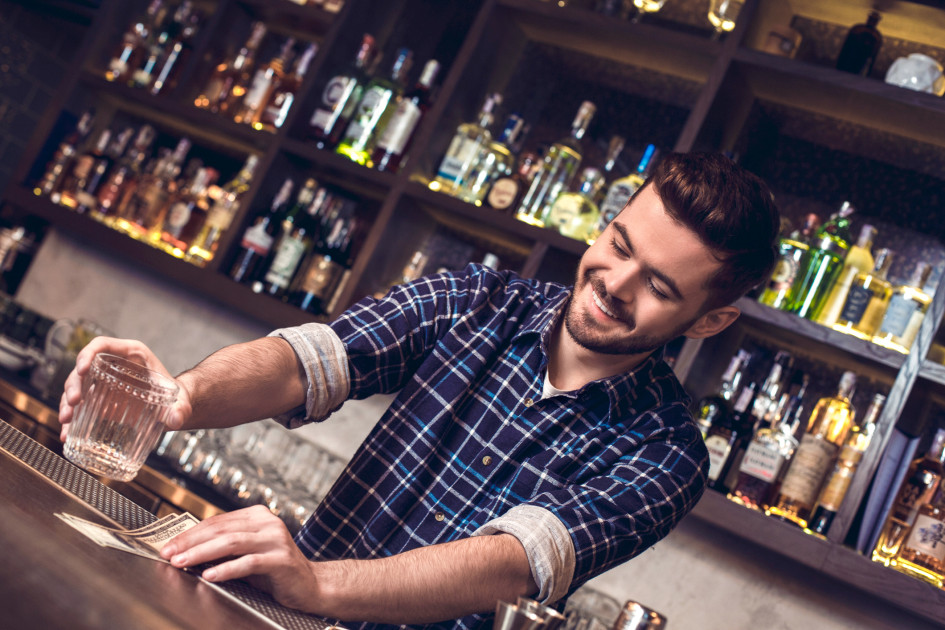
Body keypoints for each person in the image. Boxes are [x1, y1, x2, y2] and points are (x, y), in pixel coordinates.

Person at [59, 152, 780, 630]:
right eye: (619, 246)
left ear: (710, 319)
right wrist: (179, 398)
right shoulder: (476, 299)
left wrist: (315, 584)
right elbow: (314, 360)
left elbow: (511, 563)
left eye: (657, 286)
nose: (613, 285)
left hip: (302, 602)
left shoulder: (666, 454)